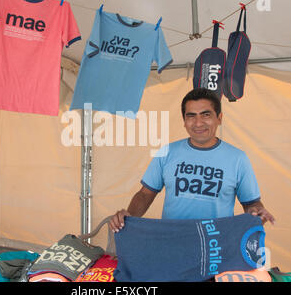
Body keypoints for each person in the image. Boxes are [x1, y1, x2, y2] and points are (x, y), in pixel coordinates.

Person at [110, 88, 275, 232]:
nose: (198, 123)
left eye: (206, 115)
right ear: (184, 121)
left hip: (217, 245)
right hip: (172, 240)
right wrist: (129, 216)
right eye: (191, 116)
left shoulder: (237, 158)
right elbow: (145, 195)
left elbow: (251, 203)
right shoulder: (166, 152)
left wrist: (257, 211)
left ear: (219, 118)